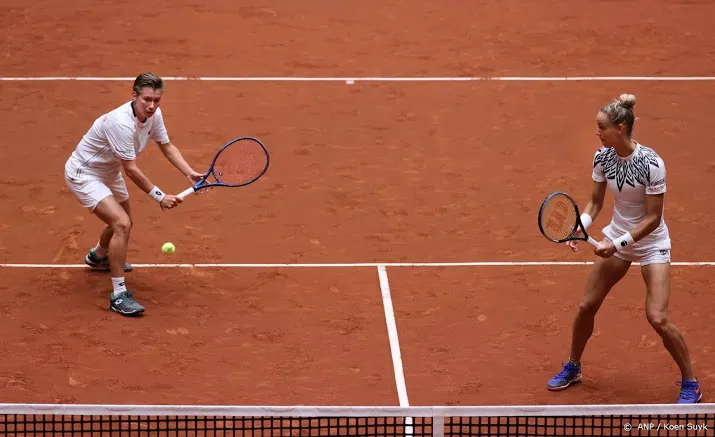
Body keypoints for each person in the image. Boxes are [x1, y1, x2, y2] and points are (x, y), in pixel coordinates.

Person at [546, 94, 702, 404]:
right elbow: (595, 202)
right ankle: (573, 366)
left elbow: (653, 218)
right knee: (586, 306)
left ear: (620, 129)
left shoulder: (652, 164)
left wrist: (616, 244)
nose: (597, 132)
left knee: (657, 317)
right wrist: (583, 225)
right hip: (618, 237)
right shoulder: (602, 157)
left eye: (601, 127)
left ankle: (690, 382)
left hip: (650, 242)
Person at [64, 72, 204, 316]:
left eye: (157, 100)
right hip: (85, 173)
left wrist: (189, 173)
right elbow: (131, 169)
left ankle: (98, 256)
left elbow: (166, 145)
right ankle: (118, 295)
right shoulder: (120, 123)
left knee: (125, 220)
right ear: (134, 96)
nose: (151, 105)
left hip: (109, 170)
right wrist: (160, 196)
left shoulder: (154, 115)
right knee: (121, 223)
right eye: (146, 99)